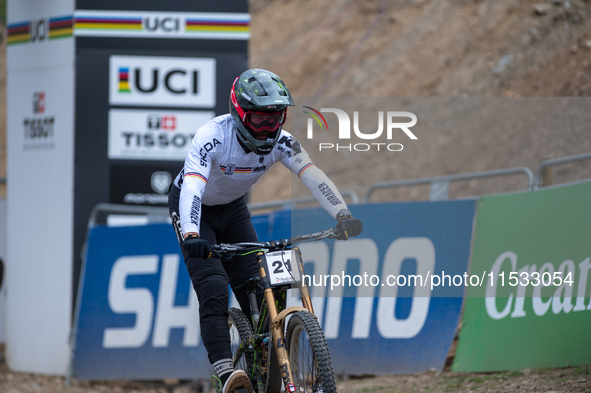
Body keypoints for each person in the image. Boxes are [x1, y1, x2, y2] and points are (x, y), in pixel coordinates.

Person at [168, 69, 362, 393]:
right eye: (259, 120)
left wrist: (342, 212)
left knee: (257, 285)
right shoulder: (212, 136)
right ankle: (226, 371)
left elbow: (312, 174)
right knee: (214, 285)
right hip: (195, 209)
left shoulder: (283, 143)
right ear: (238, 113)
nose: (267, 129)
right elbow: (192, 189)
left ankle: (266, 361)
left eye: (274, 120)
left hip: (232, 209)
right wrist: (190, 234)